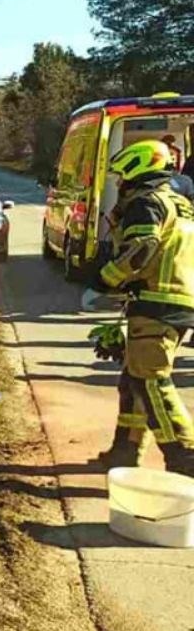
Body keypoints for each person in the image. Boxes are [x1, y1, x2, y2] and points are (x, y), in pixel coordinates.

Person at [86, 140, 194, 475]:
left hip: (157, 303)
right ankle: (125, 451)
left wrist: (106, 278)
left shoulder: (146, 202)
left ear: (138, 167)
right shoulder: (179, 202)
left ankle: (185, 455)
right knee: (132, 380)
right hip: (173, 299)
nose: (119, 183)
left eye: (121, 176)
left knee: (150, 381)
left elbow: (142, 248)